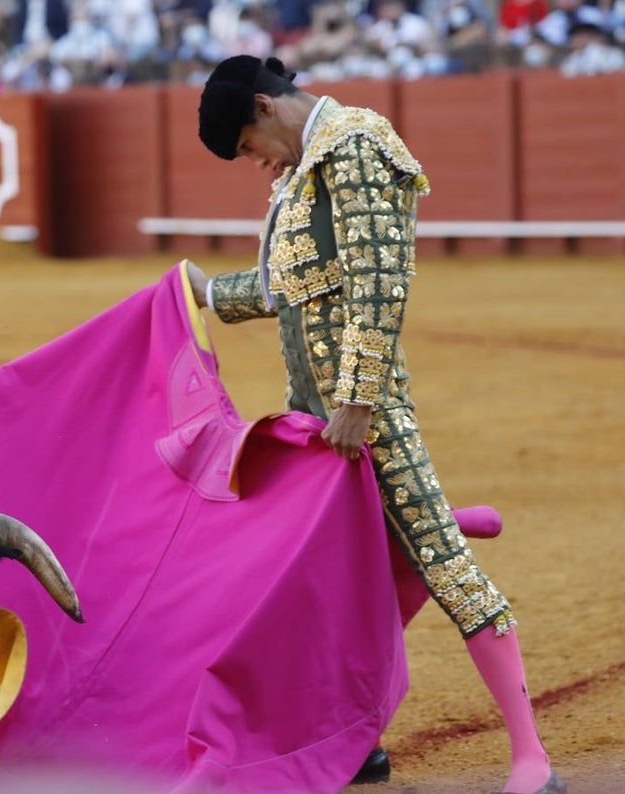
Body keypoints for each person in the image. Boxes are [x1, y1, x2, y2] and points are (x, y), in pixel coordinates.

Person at [189, 55, 566, 794]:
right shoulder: (304, 170)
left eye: (245, 146)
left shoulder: (356, 144)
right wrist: (206, 295)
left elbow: (378, 282)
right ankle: (353, 741)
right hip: (316, 419)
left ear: (264, 108)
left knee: (444, 566)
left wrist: (358, 400)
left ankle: (532, 760)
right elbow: (294, 290)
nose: (254, 162)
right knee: (332, 582)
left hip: (366, 417)